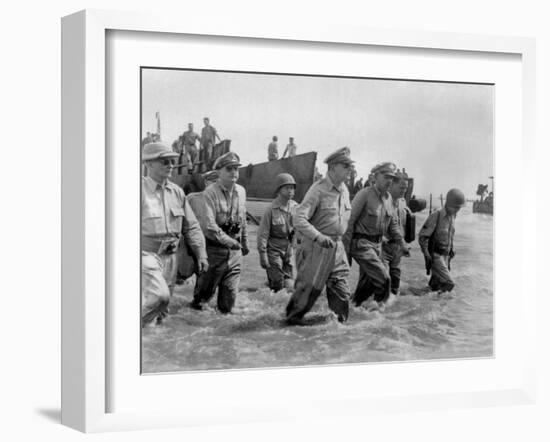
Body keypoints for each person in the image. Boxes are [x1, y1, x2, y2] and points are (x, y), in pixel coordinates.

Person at [141, 141, 208, 327]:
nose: (170, 165)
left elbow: (191, 227)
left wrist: (201, 253)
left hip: (171, 257)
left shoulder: (177, 192)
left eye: (171, 161)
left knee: (162, 311)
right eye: (164, 161)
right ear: (148, 164)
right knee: (159, 297)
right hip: (145, 255)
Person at [285, 147, 354, 324]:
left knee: (342, 293)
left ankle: (337, 335)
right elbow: (299, 219)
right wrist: (318, 237)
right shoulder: (318, 190)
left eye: (350, 166)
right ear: (332, 168)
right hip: (317, 248)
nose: (349, 169)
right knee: (304, 299)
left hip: (337, 249)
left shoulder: (345, 190)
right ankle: (286, 332)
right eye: (345, 166)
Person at [343, 162, 409, 310]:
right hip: (362, 244)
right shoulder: (364, 194)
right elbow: (349, 221)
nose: (389, 180)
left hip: (377, 247)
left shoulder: (389, 199)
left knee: (366, 288)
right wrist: (346, 250)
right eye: (386, 177)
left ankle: (354, 312)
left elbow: (393, 225)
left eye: (392, 177)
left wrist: (402, 243)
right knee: (384, 279)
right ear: (375, 176)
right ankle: (378, 314)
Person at [191, 152, 249, 313]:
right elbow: (209, 226)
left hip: (235, 253)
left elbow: (242, 217)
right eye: (229, 169)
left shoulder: (241, 191)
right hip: (214, 252)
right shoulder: (210, 192)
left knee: (228, 303)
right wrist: (230, 242)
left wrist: (244, 241)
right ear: (219, 172)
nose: (234, 172)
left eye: (236, 169)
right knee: (202, 301)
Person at [257, 173, 299, 292]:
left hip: (289, 251)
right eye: (287, 188)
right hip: (273, 251)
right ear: (279, 190)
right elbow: (262, 234)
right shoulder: (270, 210)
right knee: (278, 285)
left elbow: (301, 229)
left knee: (290, 286)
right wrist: (262, 255)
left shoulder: (296, 207)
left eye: (292, 188)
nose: (290, 191)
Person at [418, 188, 465, 293]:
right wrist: (426, 255)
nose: (458, 210)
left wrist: (451, 250)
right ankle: (439, 305)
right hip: (436, 256)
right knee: (449, 283)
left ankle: (428, 305)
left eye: (459, 208)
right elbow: (422, 237)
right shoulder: (436, 215)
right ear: (448, 204)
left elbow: (450, 235)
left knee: (436, 286)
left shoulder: (453, 216)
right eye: (456, 207)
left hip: (446, 256)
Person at [380, 171, 412, 296]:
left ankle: (391, 312)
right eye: (401, 187)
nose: (404, 191)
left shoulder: (403, 202)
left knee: (395, 284)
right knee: (383, 282)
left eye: (406, 188)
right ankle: (374, 311)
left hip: (398, 249)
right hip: (384, 247)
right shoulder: (383, 201)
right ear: (392, 184)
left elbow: (403, 224)